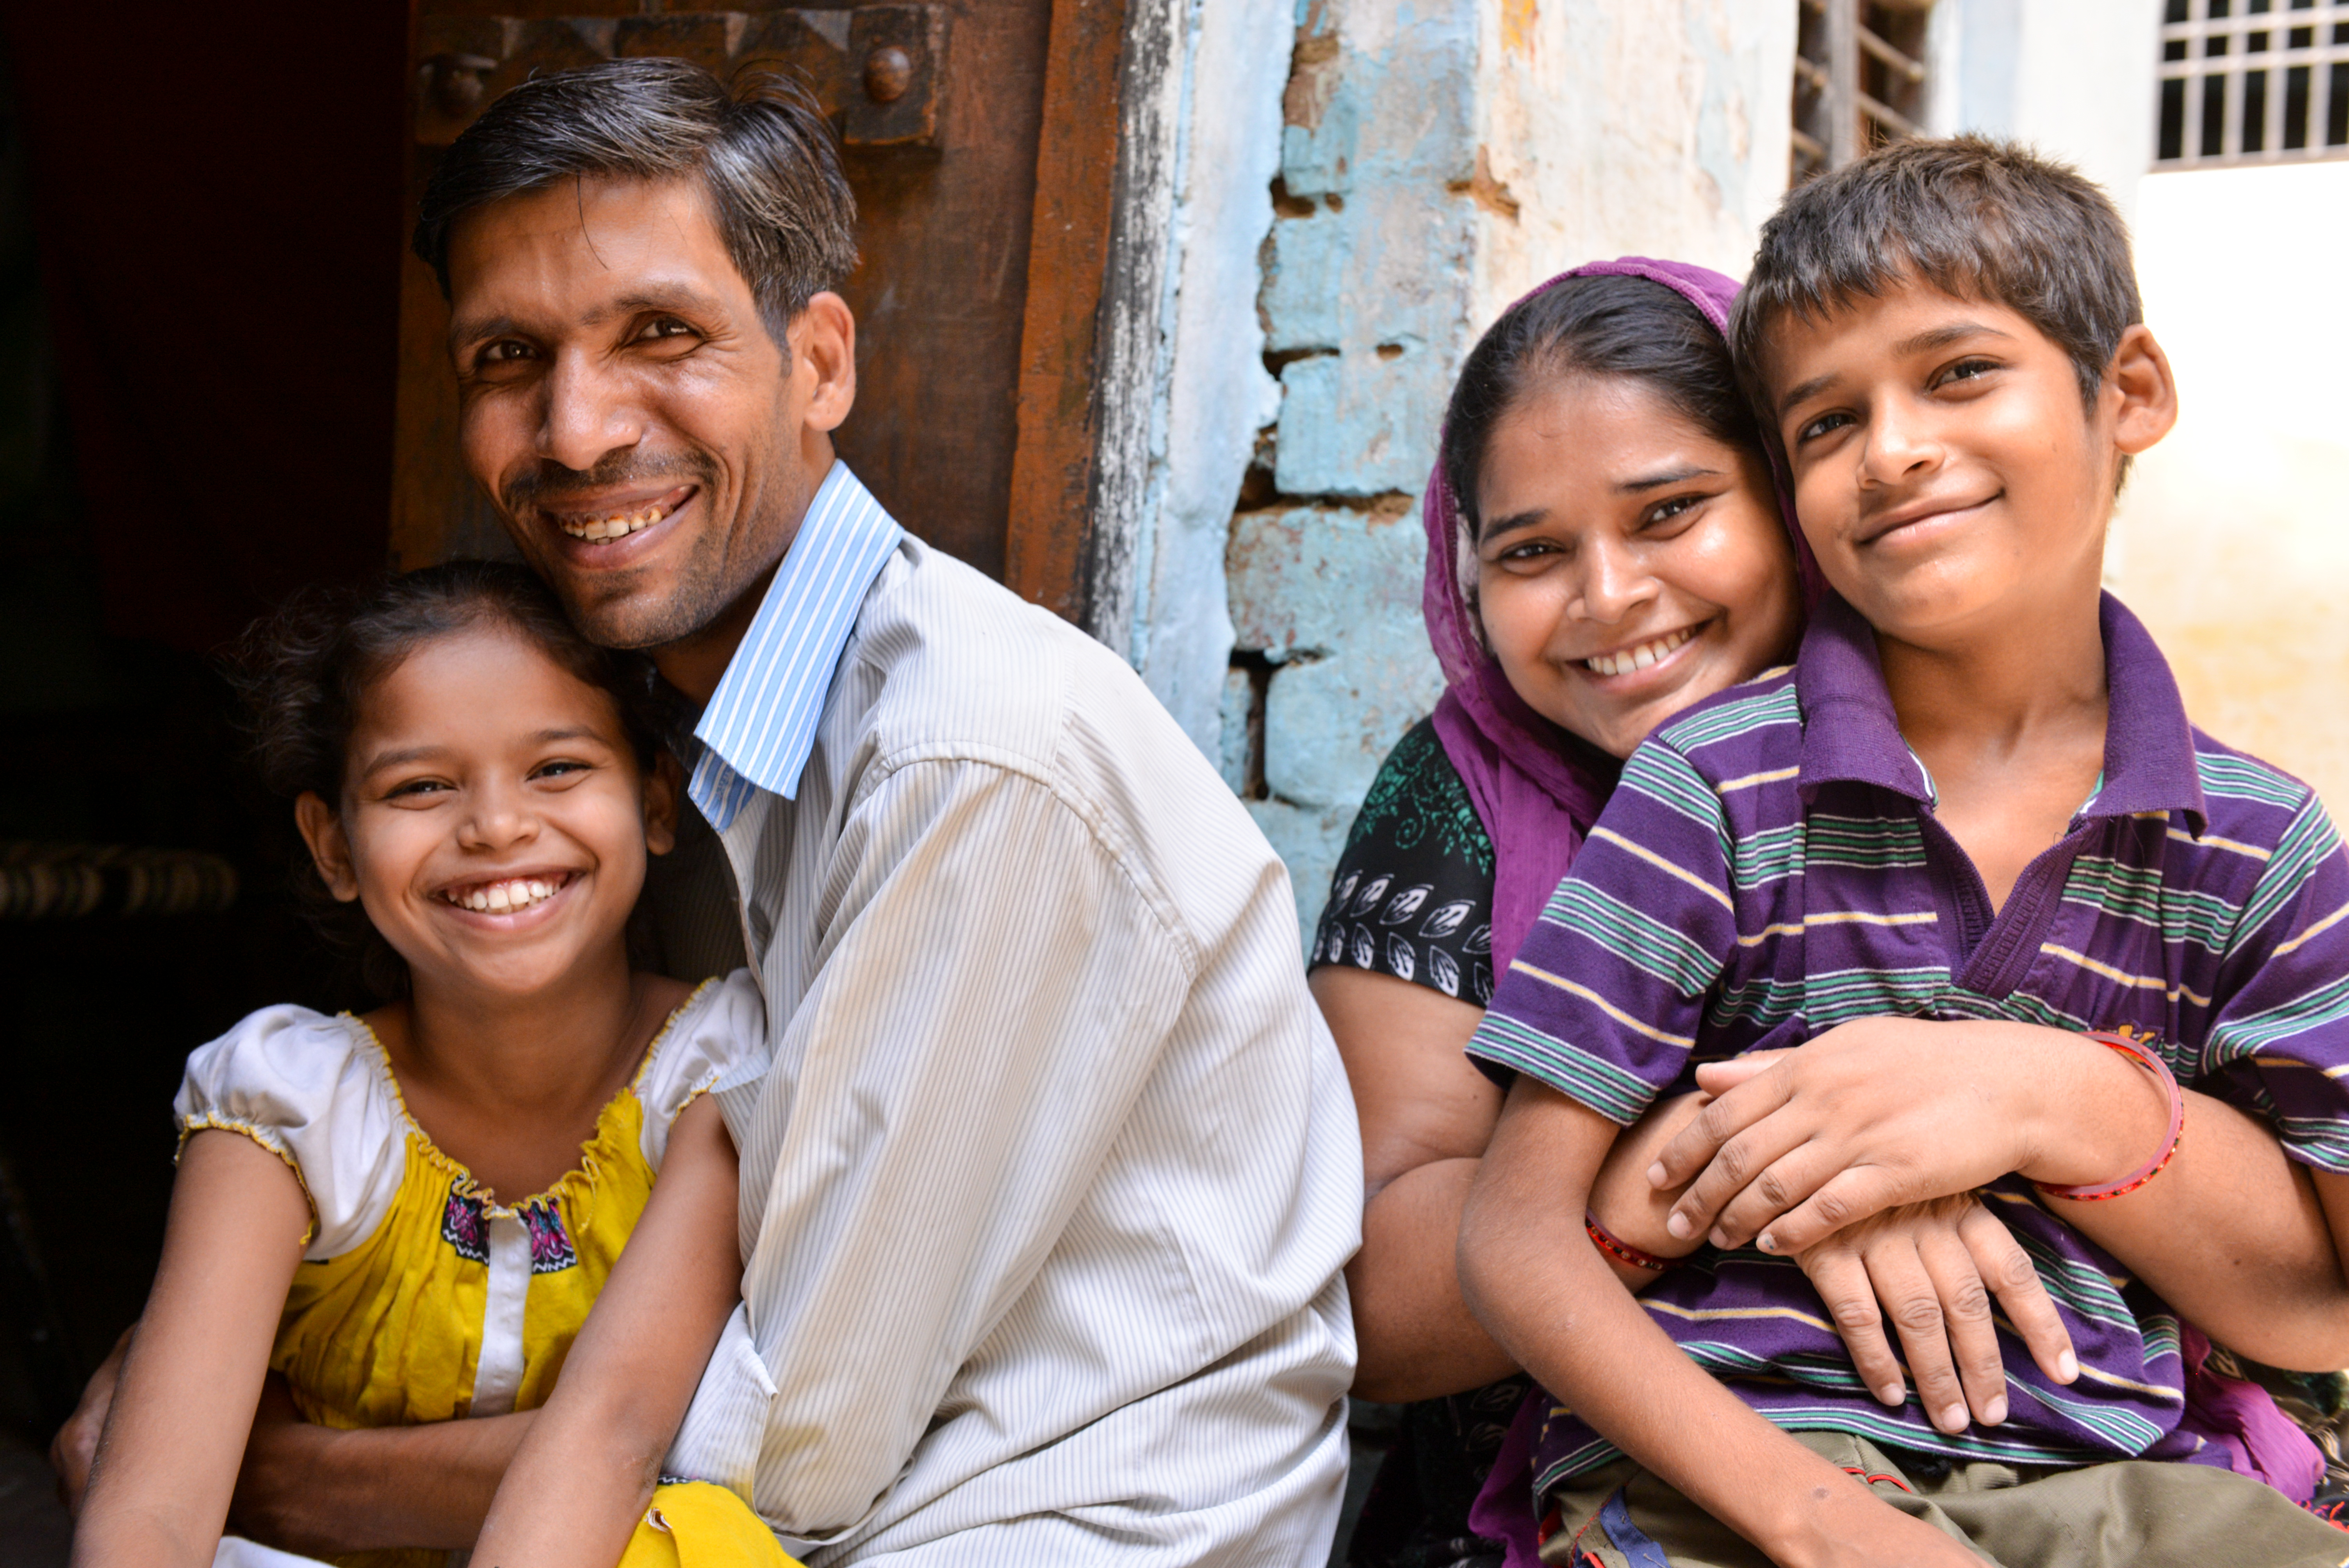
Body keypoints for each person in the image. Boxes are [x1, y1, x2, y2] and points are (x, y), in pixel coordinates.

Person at [50, 57, 1359, 1567]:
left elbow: (793, 1440)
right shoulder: (704, 738)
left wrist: (269, 1472)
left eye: (660, 335)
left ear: (820, 363)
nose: (580, 429)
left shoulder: (967, 758)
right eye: (507, 360)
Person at [1456, 137, 2349, 1567]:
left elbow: (2329, 1282)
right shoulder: (1718, 783)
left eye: (1957, 374)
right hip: (1745, 1464)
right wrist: (1819, 1523)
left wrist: (2085, 1107)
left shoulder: (2258, 845)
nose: (1891, 451)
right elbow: (1511, 1237)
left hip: (2114, 1477)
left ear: (2127, 394)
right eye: (1821, 423)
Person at [1319, 260, 2081, 1568]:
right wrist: (1786, 1161)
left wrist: (2009, 1098)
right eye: (1532, 552)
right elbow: (1375, 1306)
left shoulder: (2007, 741)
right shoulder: (1466, 796)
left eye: (1670, 511)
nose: (1608, 597)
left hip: (2061, 1487)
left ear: (1790, 502)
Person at [66, 562, 786, 1568]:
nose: (496, 827)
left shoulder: (720, 1081)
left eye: (559, 769)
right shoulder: (294, 1107)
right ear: (334, 847)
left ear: (657, 800)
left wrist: (288, 1471)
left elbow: (632, 1439)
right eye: (421, 787)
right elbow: (149, 1509)